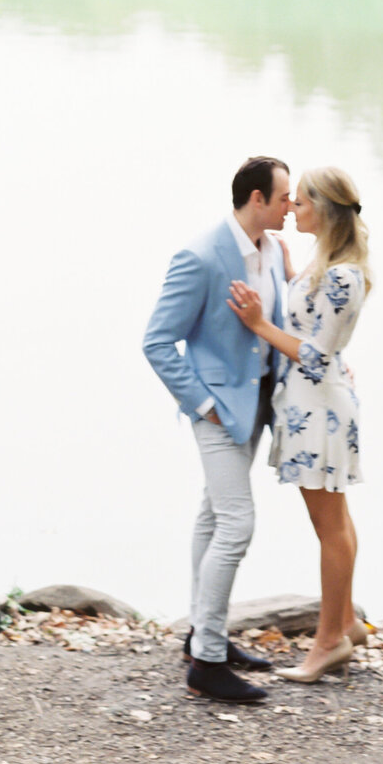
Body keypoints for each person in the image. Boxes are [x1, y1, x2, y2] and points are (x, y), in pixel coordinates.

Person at [142, 155, 292, 705]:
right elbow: (157, 340)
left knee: (211, 515)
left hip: (256, 409)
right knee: (237, 524)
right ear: (257, 199)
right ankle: (207, 663)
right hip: (218, 413)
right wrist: (201, 402)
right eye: (284, 198)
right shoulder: (201, 256)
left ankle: (204, 636)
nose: (290, 205)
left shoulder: (274, 251)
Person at [228, 166, 370, 684]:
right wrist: (288, 278)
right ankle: (347, 620)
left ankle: (328, 641)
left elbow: (315, 353)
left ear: (325, 211)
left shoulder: (343, 275)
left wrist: (259, 325)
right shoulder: (324, 266)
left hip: (320, 409)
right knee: (334, 523)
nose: (292, 208)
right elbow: (315, 327)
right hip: (313, 405)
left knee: (330, 529)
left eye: (301, 202)